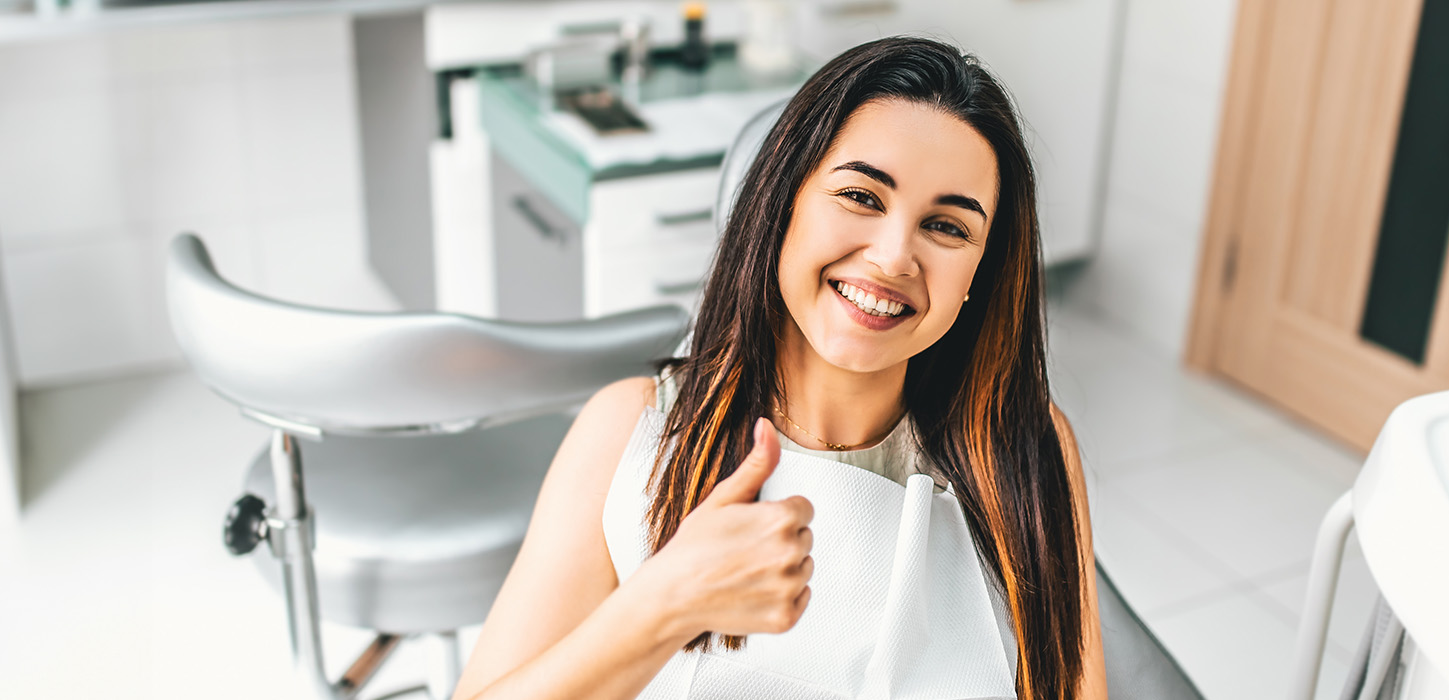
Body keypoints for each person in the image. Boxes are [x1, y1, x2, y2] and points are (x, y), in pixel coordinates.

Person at [453, 35, 1106, 700]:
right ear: (782, 203)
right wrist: (662, 606)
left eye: (946, 227)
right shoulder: (632, 429)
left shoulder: (1023, 446)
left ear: (980, 274)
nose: (892, 258)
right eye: (861, 196)